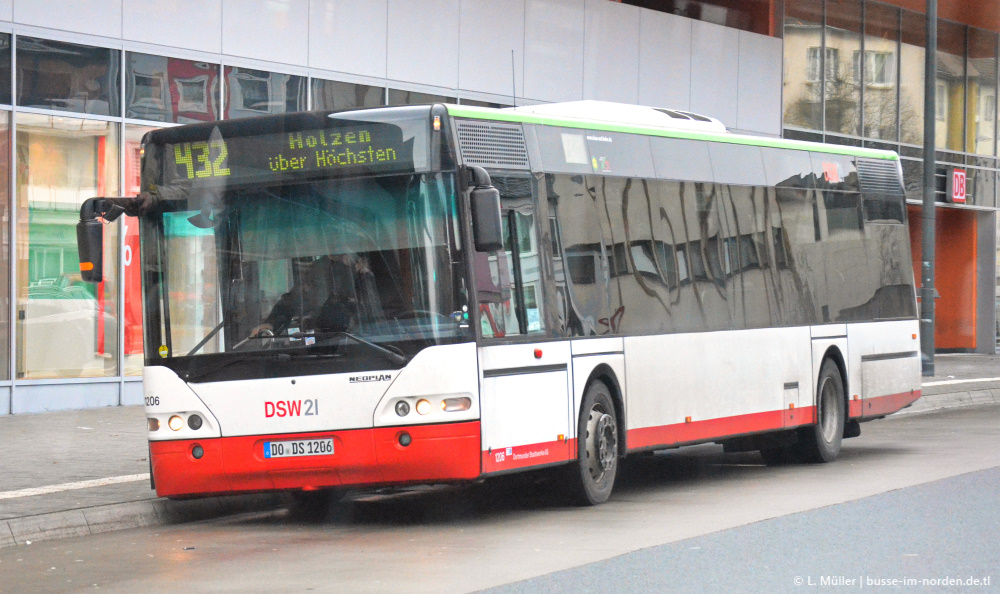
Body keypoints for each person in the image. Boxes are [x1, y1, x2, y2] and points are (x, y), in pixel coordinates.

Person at [251, 253, 383, 337]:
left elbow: (381, 307)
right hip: (322, 338)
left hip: (363, 339)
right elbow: (294, 299)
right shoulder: (317, 269)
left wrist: (365, 276)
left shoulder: (364, 265)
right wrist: (271, 323)